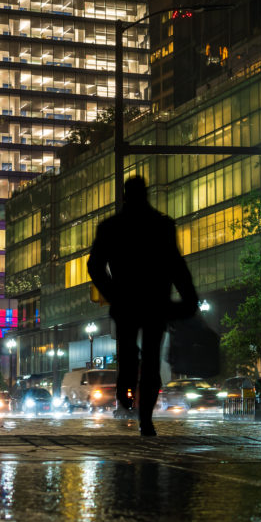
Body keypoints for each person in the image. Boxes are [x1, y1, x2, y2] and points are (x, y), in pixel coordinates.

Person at [87, 176, 199, 436]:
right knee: (150, 361)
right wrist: (189, 297)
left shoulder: (111, 227)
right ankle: (145, 419)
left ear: (125, 195)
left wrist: (112, 293)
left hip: (126, 302)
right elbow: (176, 265)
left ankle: (126, 391)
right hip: (155, 302)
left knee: (128, 355)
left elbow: (94, 265)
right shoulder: (161, 225)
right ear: (146, 194)